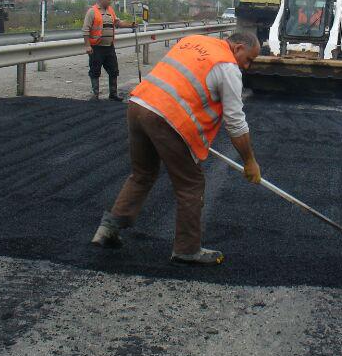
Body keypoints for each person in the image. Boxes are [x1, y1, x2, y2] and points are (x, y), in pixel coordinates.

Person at [90, 31, 262, 266]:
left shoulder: (195, 40)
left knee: (142, 174)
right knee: (191, 184)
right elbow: (235, 121)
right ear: (239, 47)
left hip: (139, 105)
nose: (248, 66)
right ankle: (187, 249)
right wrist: (249, 161)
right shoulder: (227, 66)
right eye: (249, 59)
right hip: (166, 118)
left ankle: (108, 228)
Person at [82, 0, 135, 101]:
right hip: (97, 47)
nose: (110, 2)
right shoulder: (92, 11)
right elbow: (86, 29)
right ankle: (95, 94)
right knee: (95, 70)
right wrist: (87, 45)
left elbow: (117, 23)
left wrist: (131, 24)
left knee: (114, 70)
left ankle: (113, 94)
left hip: (109, 47)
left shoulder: (110, 10)